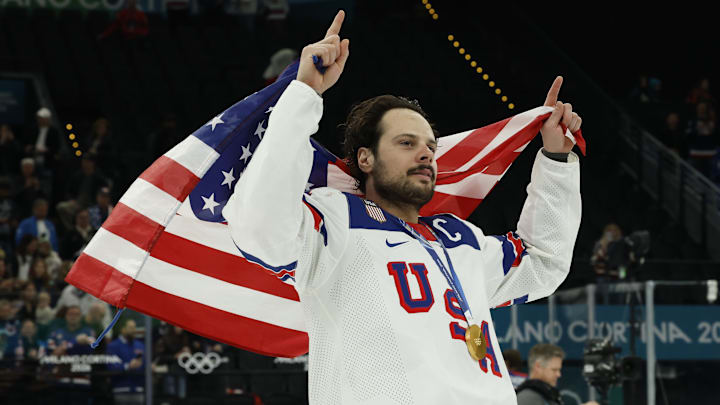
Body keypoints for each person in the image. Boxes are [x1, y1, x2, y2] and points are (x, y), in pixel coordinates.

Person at [223, 11, 582, 404]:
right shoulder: (335, 221)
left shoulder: (461, 239)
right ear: (365, 159)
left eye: (430, 146)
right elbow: (260, 225)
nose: (426, 154)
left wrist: (555, 161)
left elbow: (543, 263)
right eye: (406, 143)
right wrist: (304, 93)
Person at [516, 343, 597, 405]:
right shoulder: (527, 397)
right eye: (554, 370)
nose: (559, 374)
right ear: (538, 367)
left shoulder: (547, 395)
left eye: (559, 370)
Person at [106, 319, 145, 405]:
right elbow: (111, 366)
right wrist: (128, 366)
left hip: (138, 389)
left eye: (134, 327)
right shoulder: (113, 346)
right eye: (131, 327)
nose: (134, 330)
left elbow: (144, 364)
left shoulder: (140, 345)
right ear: (122, 329)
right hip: (121, 389)